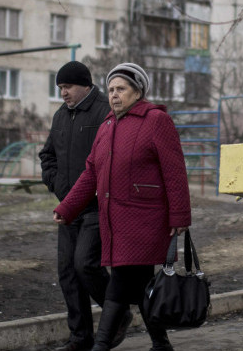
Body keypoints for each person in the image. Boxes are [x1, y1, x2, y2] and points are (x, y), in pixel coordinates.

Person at [53, 62, 191, 351]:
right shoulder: (107, 125)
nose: (114, 95)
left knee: (120, 282)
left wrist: (180, 214)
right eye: (112, 89)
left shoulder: (156, 120)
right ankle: (161, 343)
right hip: (115, 219)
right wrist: (67, 208)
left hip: (145, 219)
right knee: (140, 285)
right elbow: (91, 172)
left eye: (121, 89)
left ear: (138, 91)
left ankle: (100, 346)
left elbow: (174, 171)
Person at [40, 61, 127, 351]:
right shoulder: (61, 116)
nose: (63, 93)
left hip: (95, 207)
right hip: (68, 208)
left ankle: (117, 315)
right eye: (60, 88)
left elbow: (113, 158)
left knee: (86, 264)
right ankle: (80, 338)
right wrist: (56, 184)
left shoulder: (104, 111)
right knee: (67, 272)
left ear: (85, 85)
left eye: (68, 87)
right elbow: (47, 155)